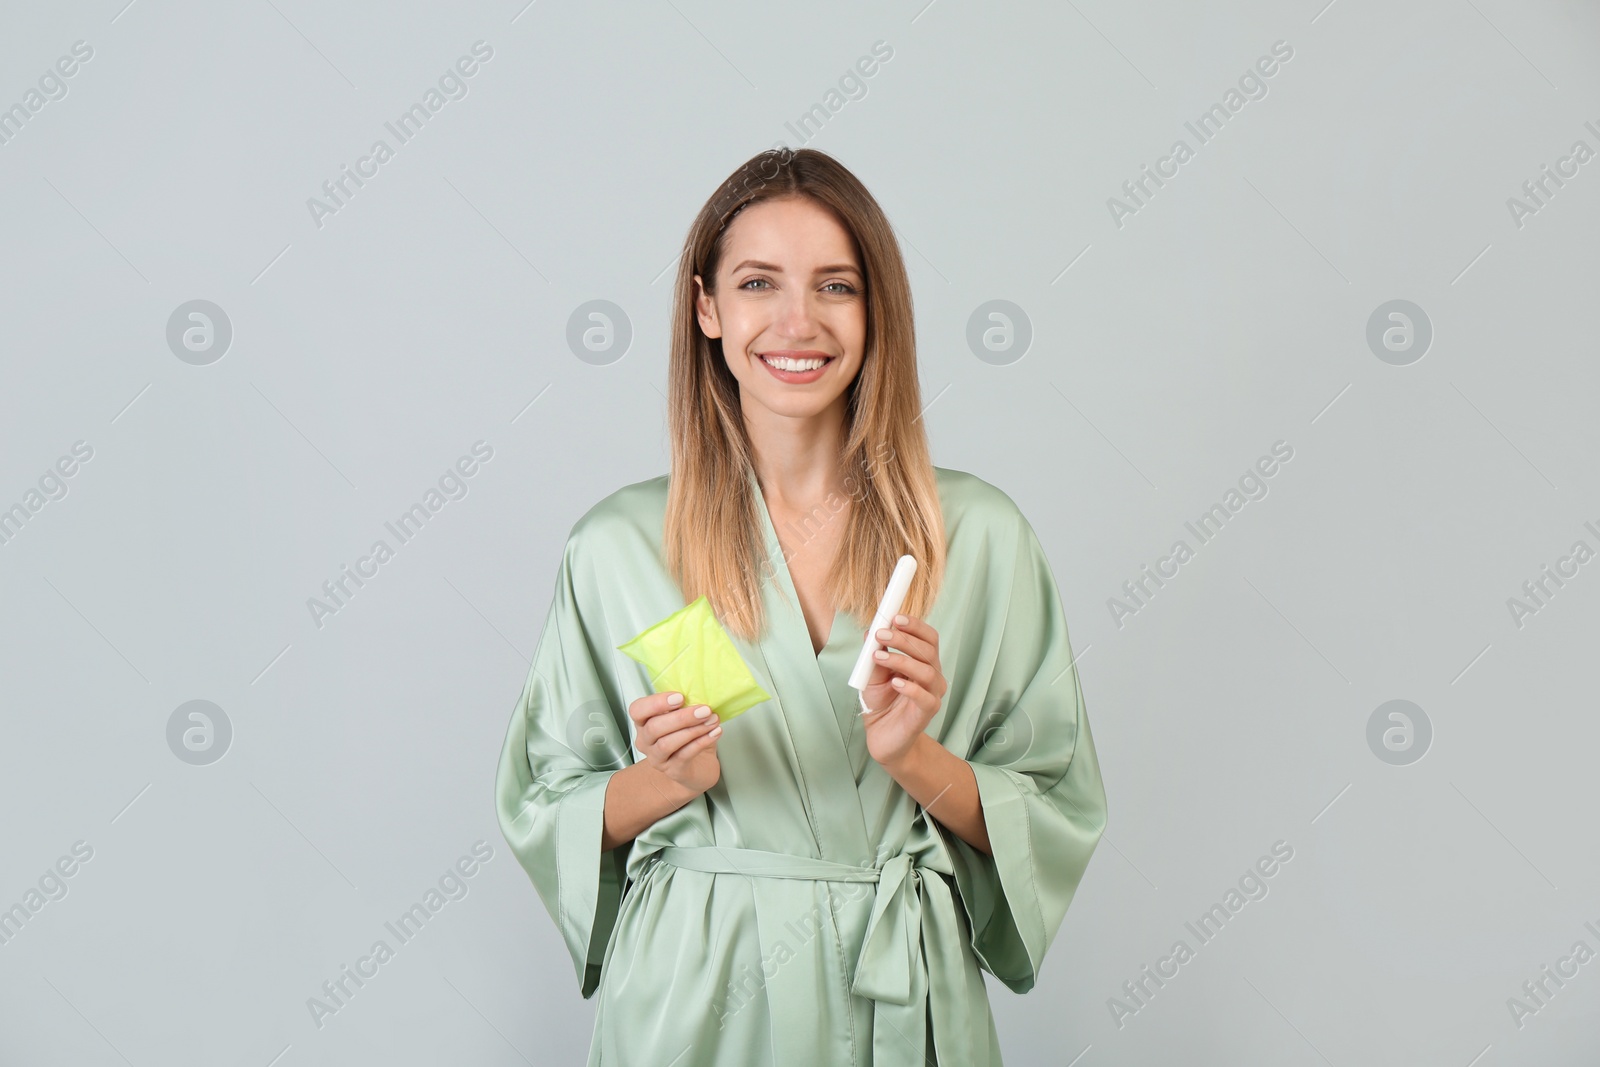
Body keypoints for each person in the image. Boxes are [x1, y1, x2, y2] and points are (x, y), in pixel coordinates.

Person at [494, 147, 1107, 1066]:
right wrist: (666, 780)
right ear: (707, 308)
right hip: (698, 992)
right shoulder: (619, 547)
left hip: (902, 993)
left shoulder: (978, 538)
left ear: (877, 311)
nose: (798, 321)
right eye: (757, 283)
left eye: (836, 286)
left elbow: (1054, 805)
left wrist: (913, 756)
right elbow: (545, 804)